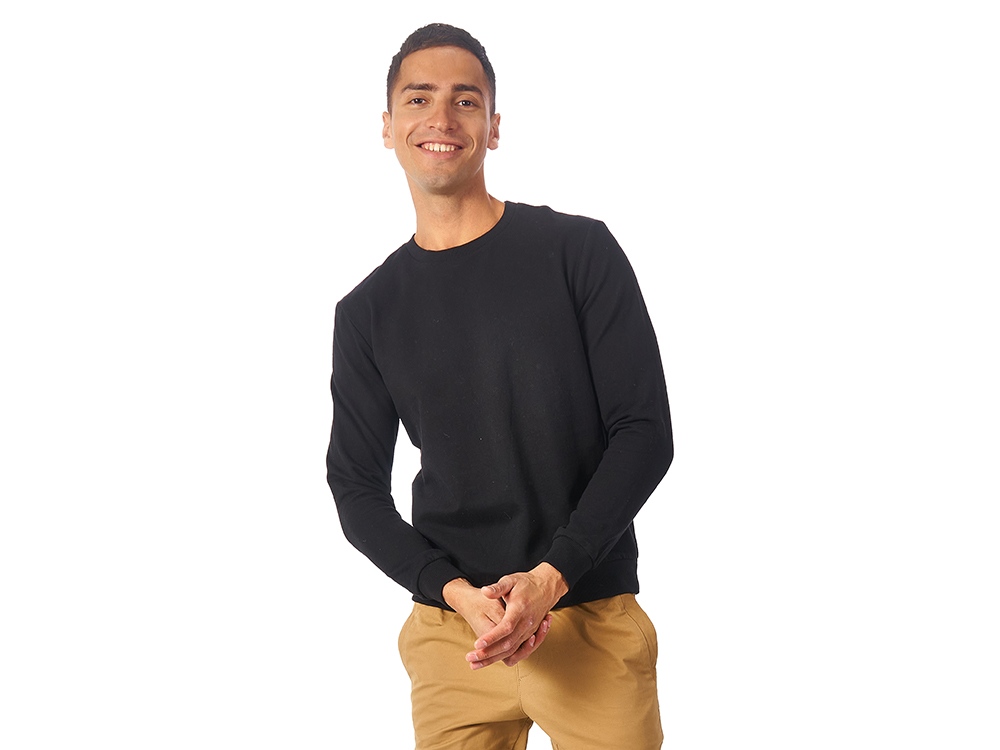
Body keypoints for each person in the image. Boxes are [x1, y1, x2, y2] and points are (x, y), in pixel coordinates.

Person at [326, 22, 673, 749]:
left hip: (587, 619)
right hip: (453, 636)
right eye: (418, 98)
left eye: (466, 100)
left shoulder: (578, 252)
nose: (441, 118)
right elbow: (355, 486)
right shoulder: (367, 311)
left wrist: (551, 578)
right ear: (387, 127)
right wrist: (451, 590)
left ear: (493, 126)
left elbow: (644, 433)